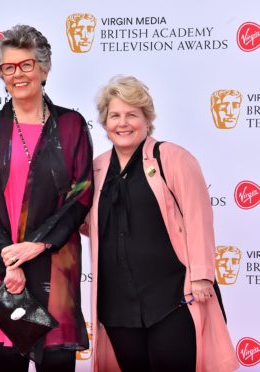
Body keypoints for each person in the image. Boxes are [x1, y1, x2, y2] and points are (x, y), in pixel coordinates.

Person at [88, 75, 238, 372]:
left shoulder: (172, 158)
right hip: (117, 303)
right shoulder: (96, 168)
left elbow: (198, 217)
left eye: (132, 114)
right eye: (115, 115)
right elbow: (84, 222)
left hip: (173, 297)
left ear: (147, 119)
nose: (123, 123)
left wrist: (203, 275)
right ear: (105, 123)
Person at [0, 24, 94, 372]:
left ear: (44, 68)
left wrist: (36, 245)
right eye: (8, 67)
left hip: (54, 265)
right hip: (1, 271)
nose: (18, 74)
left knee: (55, 362)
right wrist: (9, 262)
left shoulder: (71, 125)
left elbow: (81, 194)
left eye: (26, 64)